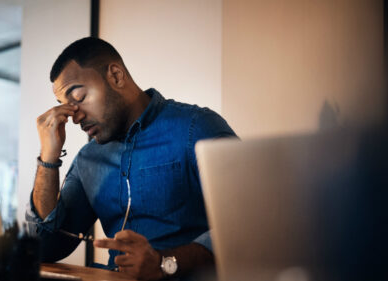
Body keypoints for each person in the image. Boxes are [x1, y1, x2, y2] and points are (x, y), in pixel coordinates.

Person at [26, 37, 237, 280]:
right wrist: (48, 158)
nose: (75, 117)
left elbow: (246, 223)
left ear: (115, 76)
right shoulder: (88, 160)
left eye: (80, 98)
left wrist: (163, 263)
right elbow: (45, 248)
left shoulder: (196, 128)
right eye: (66, 107)